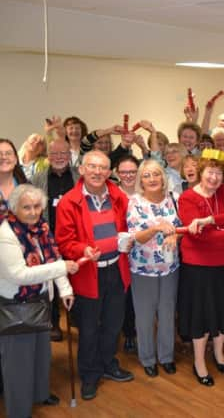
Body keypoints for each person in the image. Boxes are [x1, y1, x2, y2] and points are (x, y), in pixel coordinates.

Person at [55, 150, 134, 401]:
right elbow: (64, 241)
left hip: (116, 269)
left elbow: (127, 227)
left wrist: (129, 240)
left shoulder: (118, 196)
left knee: (113, 325)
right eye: (92, 167)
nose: (98, 172)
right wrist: (83, 249)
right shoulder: (69, 201)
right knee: (88, 329)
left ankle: (108, 364)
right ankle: (89, 375)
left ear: (110, 173)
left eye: (103, 168)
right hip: (89, 273)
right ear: (82, 169)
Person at [177, 151, 224, 387]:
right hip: (198, 266)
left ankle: (219, 354)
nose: (214, 177)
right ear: (201, 173)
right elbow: (200, 237)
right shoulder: (187, 198)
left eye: (219, 173)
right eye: (210, 172)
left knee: (223, 311)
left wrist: (209, 220)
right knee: (201, 316)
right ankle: (199, 362)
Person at [0, 185, 77, 418]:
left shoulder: (41, 228)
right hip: (16, 306)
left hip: (42, 301)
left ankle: (39, 393)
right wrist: (61, 267)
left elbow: (54, 257)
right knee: (18, 364)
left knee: (41, 355)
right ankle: (19, 411)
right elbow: (18, 274)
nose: (33, 212)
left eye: (36, 206)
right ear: (15, 208)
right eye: (26, 207)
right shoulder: (5, 234)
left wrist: (65, 289)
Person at [127, 159, 181, 378]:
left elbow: (180, 227)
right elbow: (136, 238)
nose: (152, 179)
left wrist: (175, 235)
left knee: (168, 312)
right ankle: (148, 358)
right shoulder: (135, 202)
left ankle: (166, 356)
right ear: (141, 180)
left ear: (163, 177)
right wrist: (156, 228)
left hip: (170, 267)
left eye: (156, 174)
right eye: (147, 175)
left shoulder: (173, 199)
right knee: (145, 315)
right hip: (143, 269)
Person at [31, 139, 80, 342]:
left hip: (75, 237)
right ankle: (53, 322)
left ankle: (78, 318)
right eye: (55, 154)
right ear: (48, 157)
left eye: (63, 153)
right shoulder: (37, 179)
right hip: (47, 237)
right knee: (50, 280)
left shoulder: (80, 176)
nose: (59, 157)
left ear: (70, 155)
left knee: (77, 278)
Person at [114, 155, 140, 353]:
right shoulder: (112, 194)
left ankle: (139, 331)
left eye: (132, 171)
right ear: (117, 173)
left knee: (139, 296)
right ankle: (128, 332)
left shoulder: (147, 191)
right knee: (124, 296)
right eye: (124, 172)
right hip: (120, 252)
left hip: (144, 252)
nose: (128, 175)